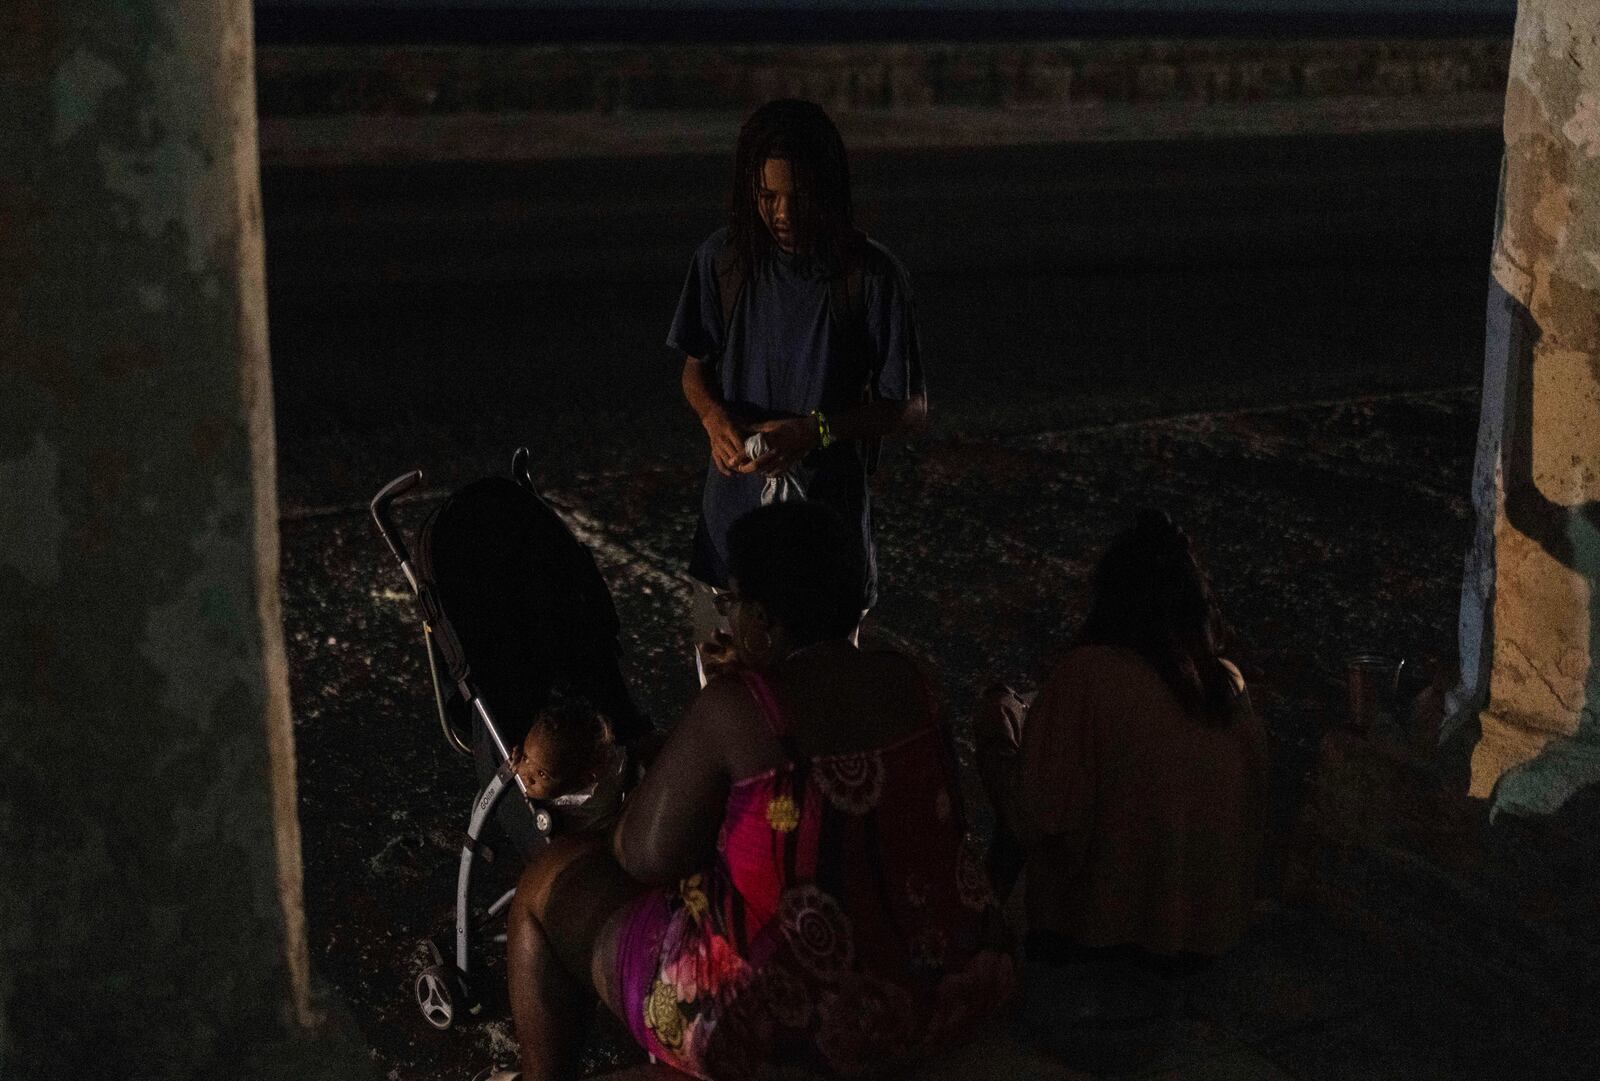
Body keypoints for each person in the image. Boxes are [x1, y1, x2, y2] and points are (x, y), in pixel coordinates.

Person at [502, 502, 1013, 1081]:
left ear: (767, 623)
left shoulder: (744, 707)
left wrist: (721, 706)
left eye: (734, 602)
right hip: (952, 978)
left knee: (547, 883)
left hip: (798, 1025)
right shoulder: (911, 680)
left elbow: (643, 854)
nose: (728, 617)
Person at [668, 99, 928, 676]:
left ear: (828, 188)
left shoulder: (871, 275)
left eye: (799, 195)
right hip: (730, 533)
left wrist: (817, 430)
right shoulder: (724, 261)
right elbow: (694, 367)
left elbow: (909, 409)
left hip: (826, 538)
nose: (783, 213)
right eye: (767, 197)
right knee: (730, 715)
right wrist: (714, 419)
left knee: (823, 710)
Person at [977, 511, 1269, 981]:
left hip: (1103, 962)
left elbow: (1032, 817)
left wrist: (997, 735)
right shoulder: (1226, 682)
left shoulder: (1089, 676)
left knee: (1018, 772)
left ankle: (980, 936)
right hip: (1208, 951)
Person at [507, 691, 630, 832]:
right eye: (525, 758)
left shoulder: (578, 803)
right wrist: (515, 758)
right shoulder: (564, 775)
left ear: (581, 781)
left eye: (541, 774)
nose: (526, 777)